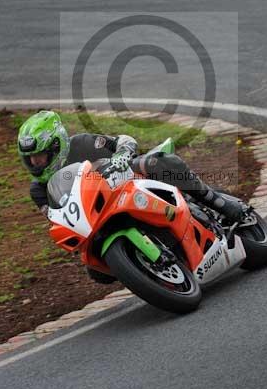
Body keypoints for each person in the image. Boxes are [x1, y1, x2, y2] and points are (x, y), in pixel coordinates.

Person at [18, 110, 248, 282]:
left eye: (40, 156)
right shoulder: (38, 190)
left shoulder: (82, 143)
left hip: (126, 182)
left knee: (155, 162)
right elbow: (55, 216)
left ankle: (218, 203)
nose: (35, 163)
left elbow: (124, 140)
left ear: (57, 144)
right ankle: (143, 265)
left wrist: (121, 155)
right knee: (97, 272)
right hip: (97, 216)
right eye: (30, 159)